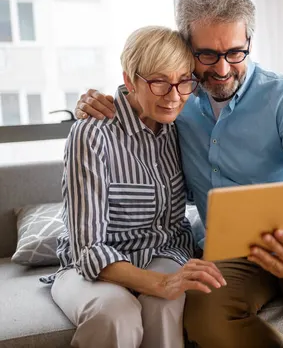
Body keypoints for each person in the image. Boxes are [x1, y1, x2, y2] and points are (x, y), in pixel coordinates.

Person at [75, 0, 283, 348]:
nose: (223, 69)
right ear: (186, 49)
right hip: (227, 251)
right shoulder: (177, 103)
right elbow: (138, 93)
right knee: (205, 316)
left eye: (235, 53)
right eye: (207, 55)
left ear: (249, 45)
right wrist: (91, 102)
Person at [41, 26, 226, 348]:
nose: (173, 96)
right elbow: (88, 250)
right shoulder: (93, 134)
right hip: (92, 266)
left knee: (165, 306)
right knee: (115, 313)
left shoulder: (181, 126)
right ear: (129, 81)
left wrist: (168, 283)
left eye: (184, 80)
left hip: (164, 251)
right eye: (158, 82)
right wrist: (161, 282)